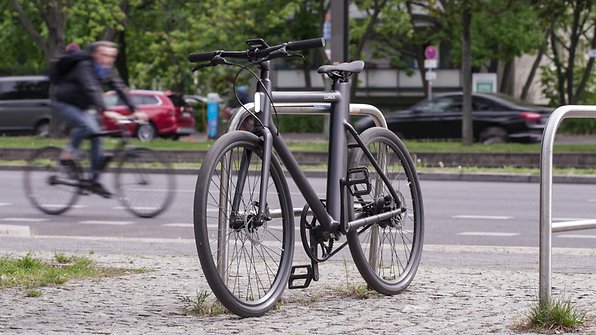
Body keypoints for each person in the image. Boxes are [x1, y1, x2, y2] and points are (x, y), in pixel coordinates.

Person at [50, 40, 143, 198]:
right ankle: (66, 157)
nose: (108, 59)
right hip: (64, 102)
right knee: (85, 127)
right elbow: (91, 88)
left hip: (83, 107)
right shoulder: (84, 66)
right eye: (104, 55)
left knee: (97, 136)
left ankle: (94, 181)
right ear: (95, 54)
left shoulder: (106, 70)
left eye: (112, 56)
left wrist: (135, 110)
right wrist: (106, 111)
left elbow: (119, 88)